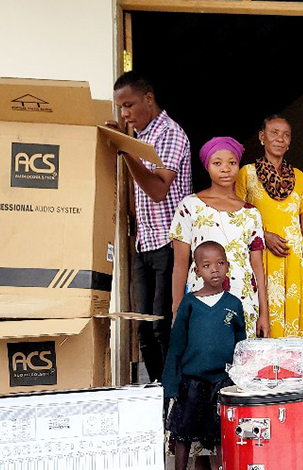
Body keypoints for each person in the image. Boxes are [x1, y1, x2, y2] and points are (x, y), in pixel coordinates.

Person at [109, 71, 192, 383]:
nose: (125, 113)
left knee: (162, 324)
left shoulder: (169, 134)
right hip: (144, 243)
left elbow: (158, 190)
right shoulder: (138, 137)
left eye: (129, 105)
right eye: (120, 108)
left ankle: (175, 392)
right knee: (141, 325)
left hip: (169, 244)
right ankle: (157, 391)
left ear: (149, 98)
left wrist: (126, 151)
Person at [162, 241, 246, 470]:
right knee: (184, 433)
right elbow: (176, 347)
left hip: (222, 380)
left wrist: (241, 379)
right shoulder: (189, 304)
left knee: (222, 433)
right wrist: (171, 384)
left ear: (228, 267)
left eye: (220, 263)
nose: (215, 270)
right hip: (192, 380)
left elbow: (241, 346)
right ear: (196, 271)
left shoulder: (234, 304)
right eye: (207, 265)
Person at [170, 137, 269, 339]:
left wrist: (264, 314)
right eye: (217, 163)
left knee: (242, 363)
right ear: (207, 166)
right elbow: (180, 264)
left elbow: (258, 267)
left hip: (245, 301)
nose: (225, 168)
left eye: (232, 162)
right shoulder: (190, 206)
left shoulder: (251, 213)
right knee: (206, 358)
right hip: (202, 299)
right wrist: (177, 310)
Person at [236, 115, 303, 337]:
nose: (280, 139)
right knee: (268, 321)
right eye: (274, 132)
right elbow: (236, 218)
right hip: (262, 257)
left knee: (297, 325)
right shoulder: (247, 173)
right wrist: (264, 236)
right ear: (262, 137)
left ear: (290, 142)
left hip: (295, 261)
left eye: (286, 134)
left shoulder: (299, 177)